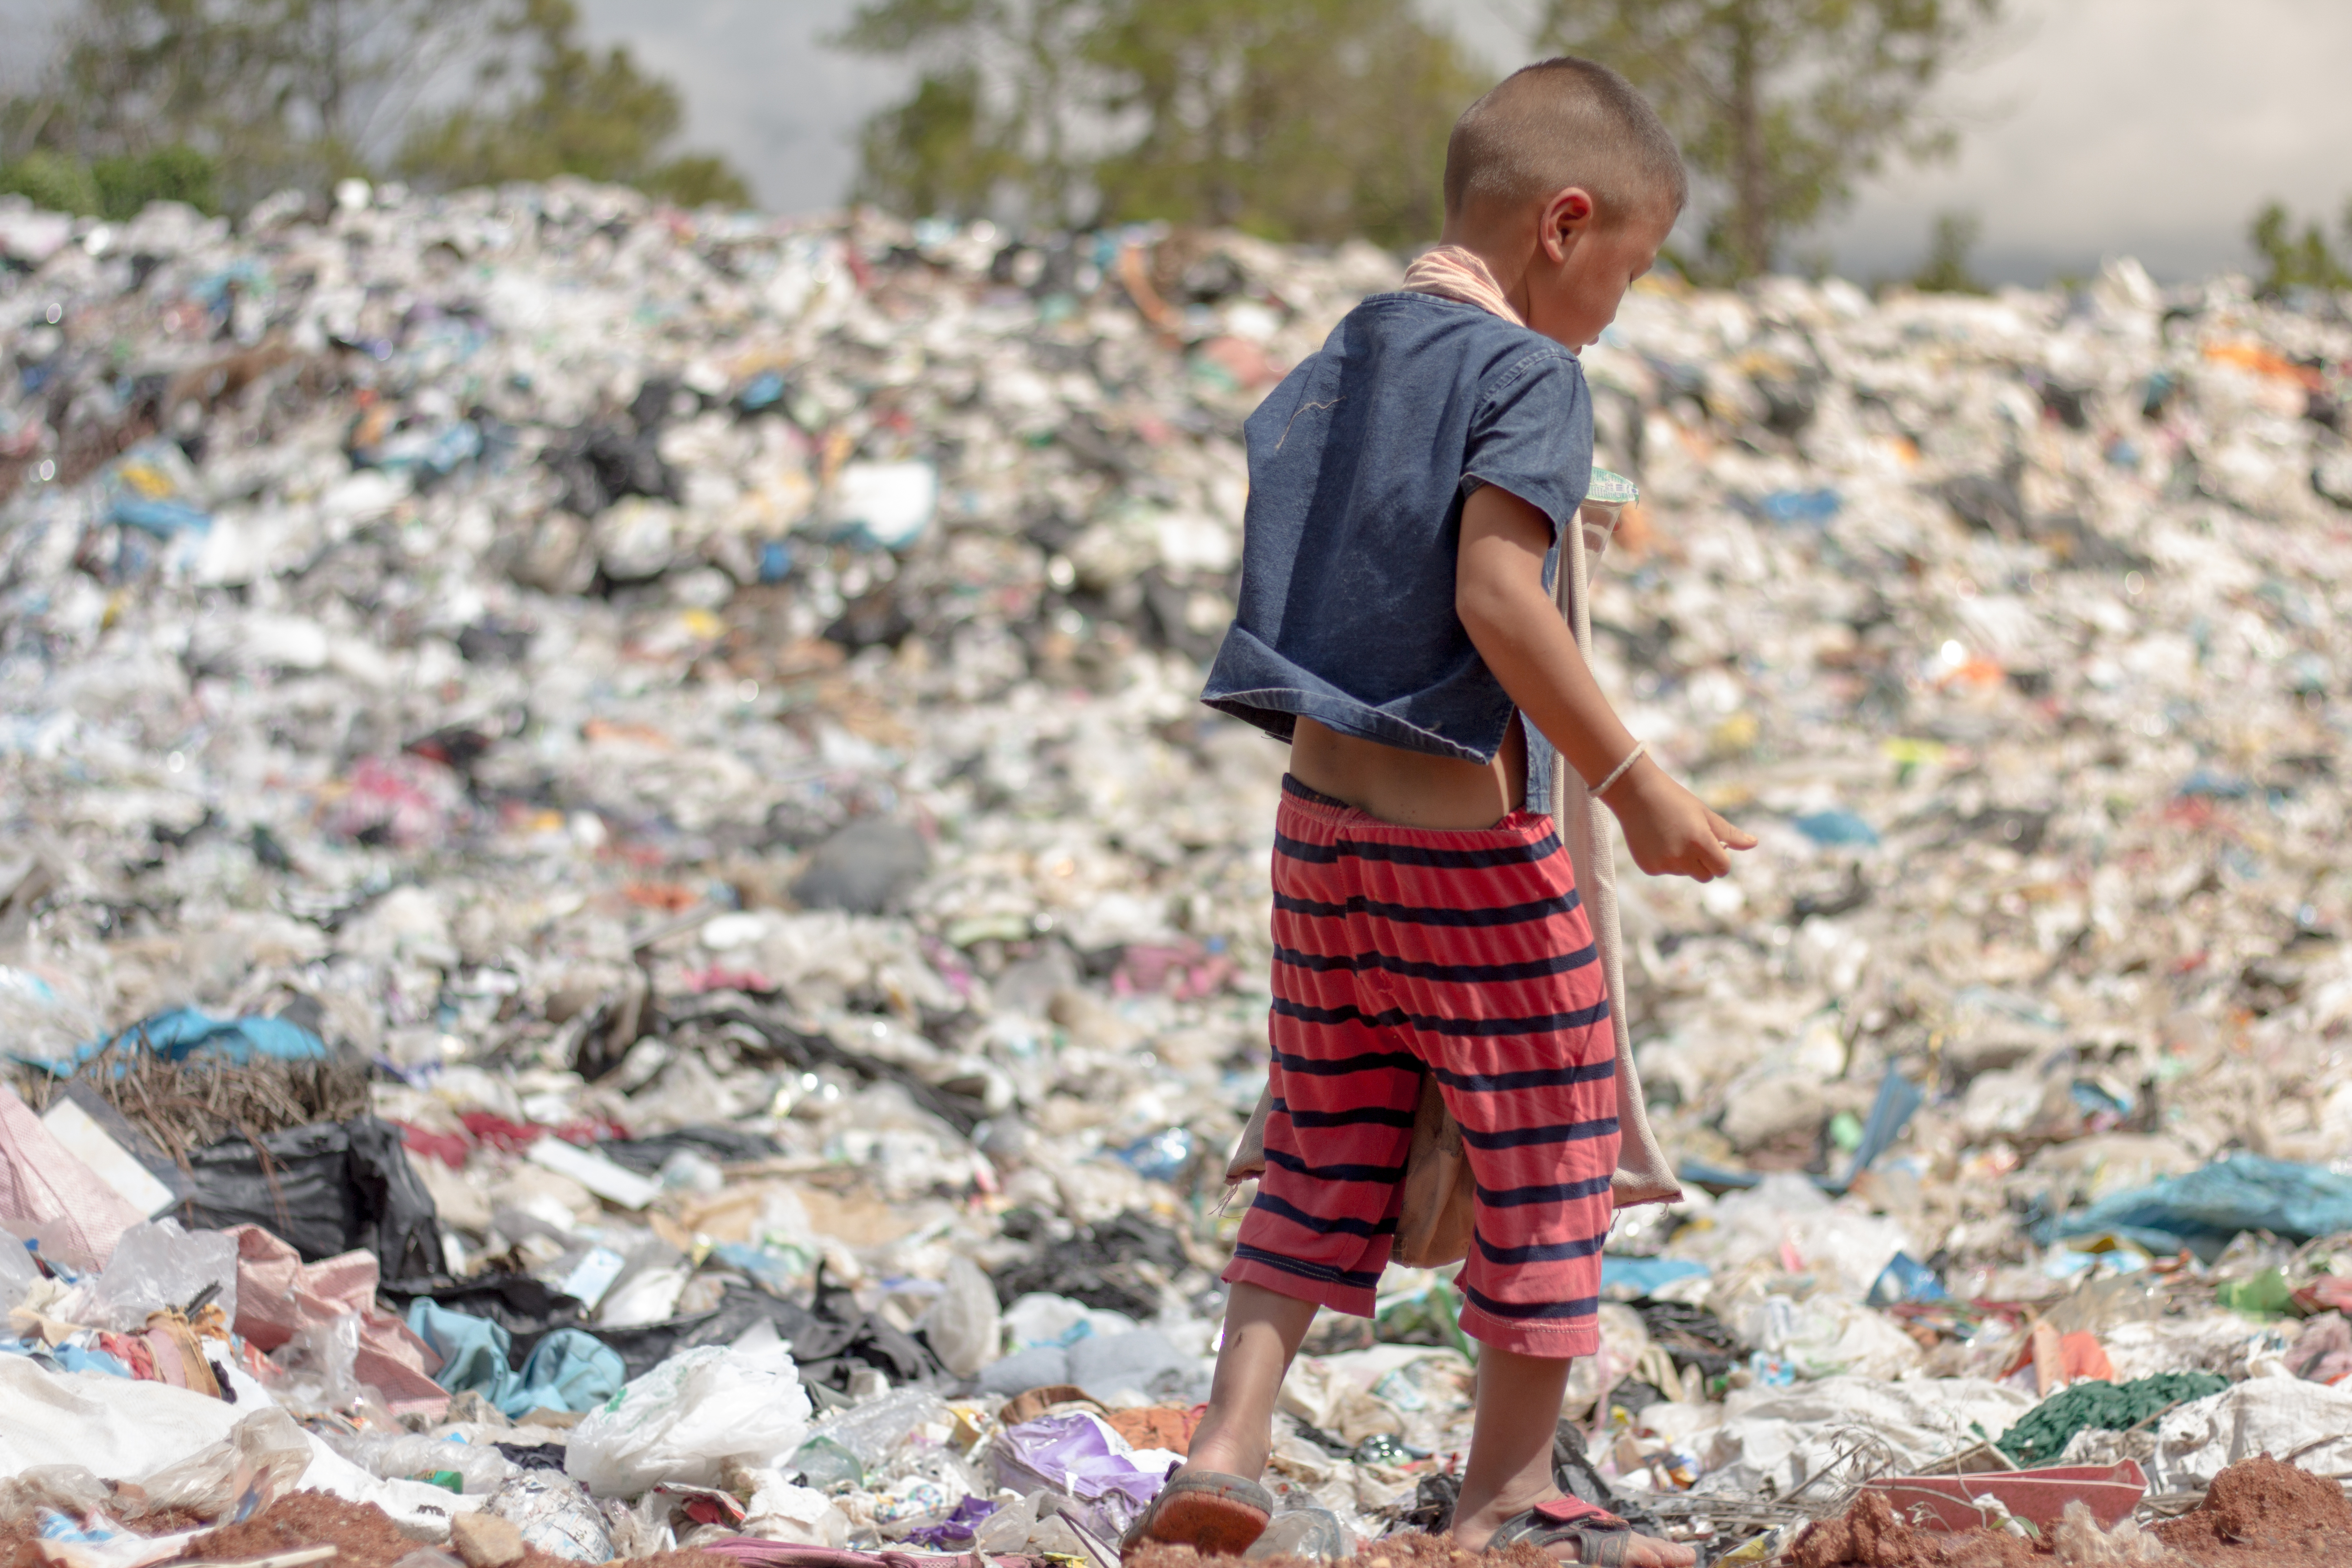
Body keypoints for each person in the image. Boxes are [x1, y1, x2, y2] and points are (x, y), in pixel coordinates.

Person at [1127, 58, 1755, 1568]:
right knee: (1554, 1146)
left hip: (1319, 839)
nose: (1623, 302)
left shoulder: (1354, 350)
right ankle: (1511, 1493)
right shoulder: (1532, 374)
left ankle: (1227, 1447)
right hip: (1466, 855)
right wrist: (1638, 784)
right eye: (1634, 268)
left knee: (1324, 1145)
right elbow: (1494, 596)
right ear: (1565, 223)